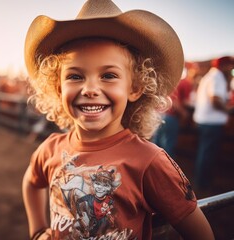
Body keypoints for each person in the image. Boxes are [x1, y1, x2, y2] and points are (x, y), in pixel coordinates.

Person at [22, 0, 214, 239]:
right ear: (58, 88)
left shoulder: (149, 162)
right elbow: (31, 182)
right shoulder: (50, 149)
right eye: (75, 76)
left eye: (108, 75)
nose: (90, 88)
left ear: (134, 87)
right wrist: (38, 230)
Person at [193, 56, 234, 192]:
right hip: (211, 122)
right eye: (229, 65)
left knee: (205, 152)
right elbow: (215, 100)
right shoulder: (217, 77)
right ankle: (203, 184)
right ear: (224, 65)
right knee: (207, 153)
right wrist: (228, 110)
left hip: (206, 121)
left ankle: (201, 181)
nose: (231, 68)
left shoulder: (211, 76)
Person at [153, 63, 199, 157]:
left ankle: (152, 169)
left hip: (159, 114)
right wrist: (184, 113)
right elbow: (177, 101)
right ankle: (164, 170)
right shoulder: (185, 82)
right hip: (171, 117)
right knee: (167, 147)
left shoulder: (174, 81)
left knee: (155, 146)